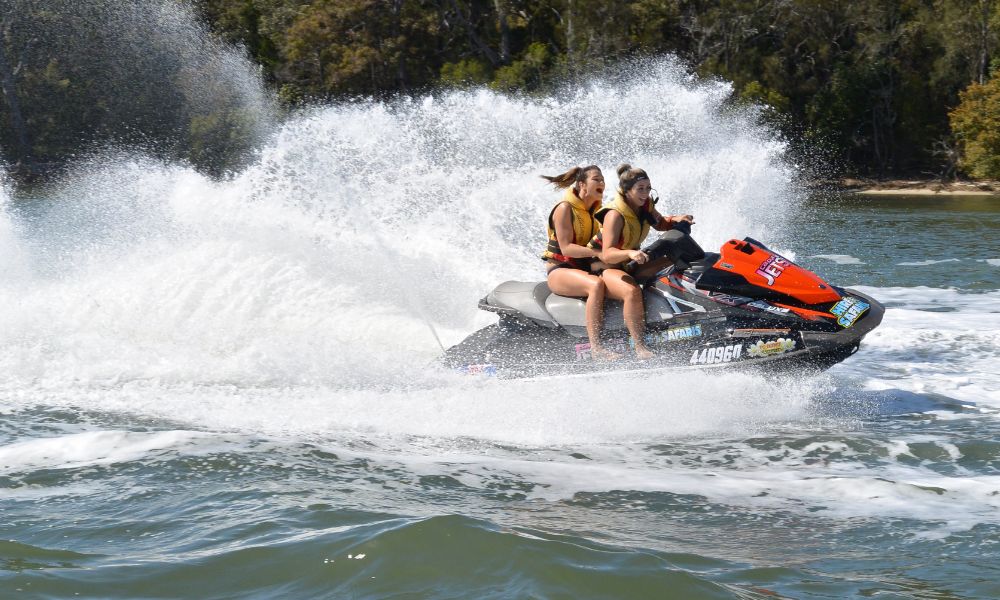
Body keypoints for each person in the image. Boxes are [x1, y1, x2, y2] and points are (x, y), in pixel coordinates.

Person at [590, 164, 694, 360]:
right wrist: (629, 253)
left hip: (626, 262)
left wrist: (677, 219)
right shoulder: (614, 215)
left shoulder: (644, 205)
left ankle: (683, 318)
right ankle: (640, 348)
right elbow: (608, 254)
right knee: (631, 291)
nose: (645, 193)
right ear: (627, 191)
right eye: (640, 189)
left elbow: (660, 223)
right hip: (601, 267)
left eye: (648, 188)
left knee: (671, 261)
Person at [540, 165, 619, 361]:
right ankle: (596, 348)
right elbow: (566, 249)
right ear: (582, 184)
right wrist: (600, 253)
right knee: (596, 285)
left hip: (584, 266)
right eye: (596, 180)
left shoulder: (597, 210)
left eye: (602, 180)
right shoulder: (564, 208)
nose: (601, 183)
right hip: (560, 270)